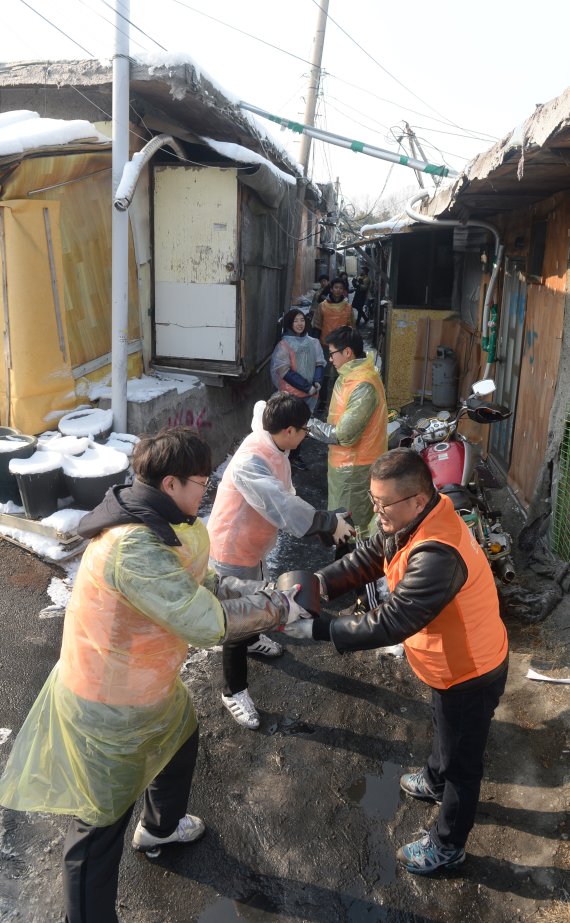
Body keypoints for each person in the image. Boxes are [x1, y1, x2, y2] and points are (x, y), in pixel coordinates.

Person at [0, 427, 308, 923]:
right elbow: (204, 621)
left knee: (180, 739)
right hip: (107, 700)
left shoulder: (162, 519)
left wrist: (250, 591)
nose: (205, 492)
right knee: (99, 824)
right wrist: (275, 609)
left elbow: (199, 580)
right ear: (170, 483)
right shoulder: (133, 547)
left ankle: (161, 830)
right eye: (200, 483)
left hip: (149, 683)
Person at [285, 447, 509, 875]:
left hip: (470, 671)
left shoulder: (438, 554)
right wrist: (318, 584)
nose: (377, 511)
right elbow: (370, 555)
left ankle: (448, 845)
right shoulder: (408, 521)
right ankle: (435, 777)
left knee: (465, 762)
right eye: (373, 500)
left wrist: (320, 629)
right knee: (446, 726)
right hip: (447, 667)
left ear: (418, 500)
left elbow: (393, 620)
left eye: (383, 504)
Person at [208, 393, 354, 730]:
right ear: (288, 430)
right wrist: (328, 523)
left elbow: (288, 499)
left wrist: (322, 528)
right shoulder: (250, 462)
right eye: (304, 429)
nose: (306, 435)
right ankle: (233, 691)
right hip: (232, 550)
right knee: (234, 621)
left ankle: (253, 637)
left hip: (253, 545)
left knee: (254, 604)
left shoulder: (274, 446)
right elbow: (282, 505)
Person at [307, 325, 387, 546]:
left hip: (355, 468)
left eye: (332, 353)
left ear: (348, 352)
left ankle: (352, 578)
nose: (330, 359)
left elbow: (345, 434)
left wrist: (308, 425)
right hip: (346, 466)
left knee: (352, 533)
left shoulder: (362, 384)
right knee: (343, 526)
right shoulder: (350, 376)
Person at [270, 308, 326, 469]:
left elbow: (319, 363)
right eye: (296, 320)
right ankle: (281, 457)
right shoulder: (284, 345)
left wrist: (317, 382)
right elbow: (284, 371)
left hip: (310, 393)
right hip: (292, 393)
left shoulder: (313, 342)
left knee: (301, 426)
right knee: (287, 427)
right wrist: (306, 387)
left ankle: (294, 456)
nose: (300, 323)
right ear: (289, 323)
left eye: (302, 320)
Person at [311, 278, 355, 412]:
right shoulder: (322, 306)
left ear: (344, 290)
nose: (338, 290)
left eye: (341, 288)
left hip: (342, 346)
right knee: (323, 374)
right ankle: (322, 401)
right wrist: (314, 345)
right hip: (325, 345)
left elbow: (351, 327)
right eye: (336, 287)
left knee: (340, 375)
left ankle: (339, 402)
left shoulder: (348, 308)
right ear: (331, 289)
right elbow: (317, 326)